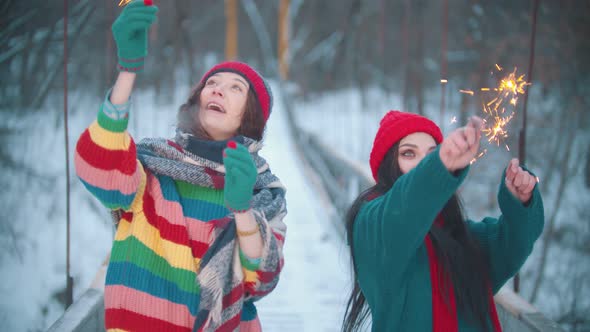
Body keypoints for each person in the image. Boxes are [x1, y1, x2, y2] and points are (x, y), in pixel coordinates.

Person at [74, 1, 287, 331]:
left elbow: (261, 281)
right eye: (212, 83)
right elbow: (98, 167)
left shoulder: (264, 193)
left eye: (236, 88)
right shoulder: (152, 169)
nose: (217, 88)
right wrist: (127, 70)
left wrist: (243, 210)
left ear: (251, 116)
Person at [342, 110, 544, 331]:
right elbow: (400, 212)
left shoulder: (461, 238)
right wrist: (438, 164)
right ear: (387, 165)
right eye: (409, 154)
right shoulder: (372, 226)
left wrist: (521, 202)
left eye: (431, 154)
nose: (422, 163)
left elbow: (513, 243)